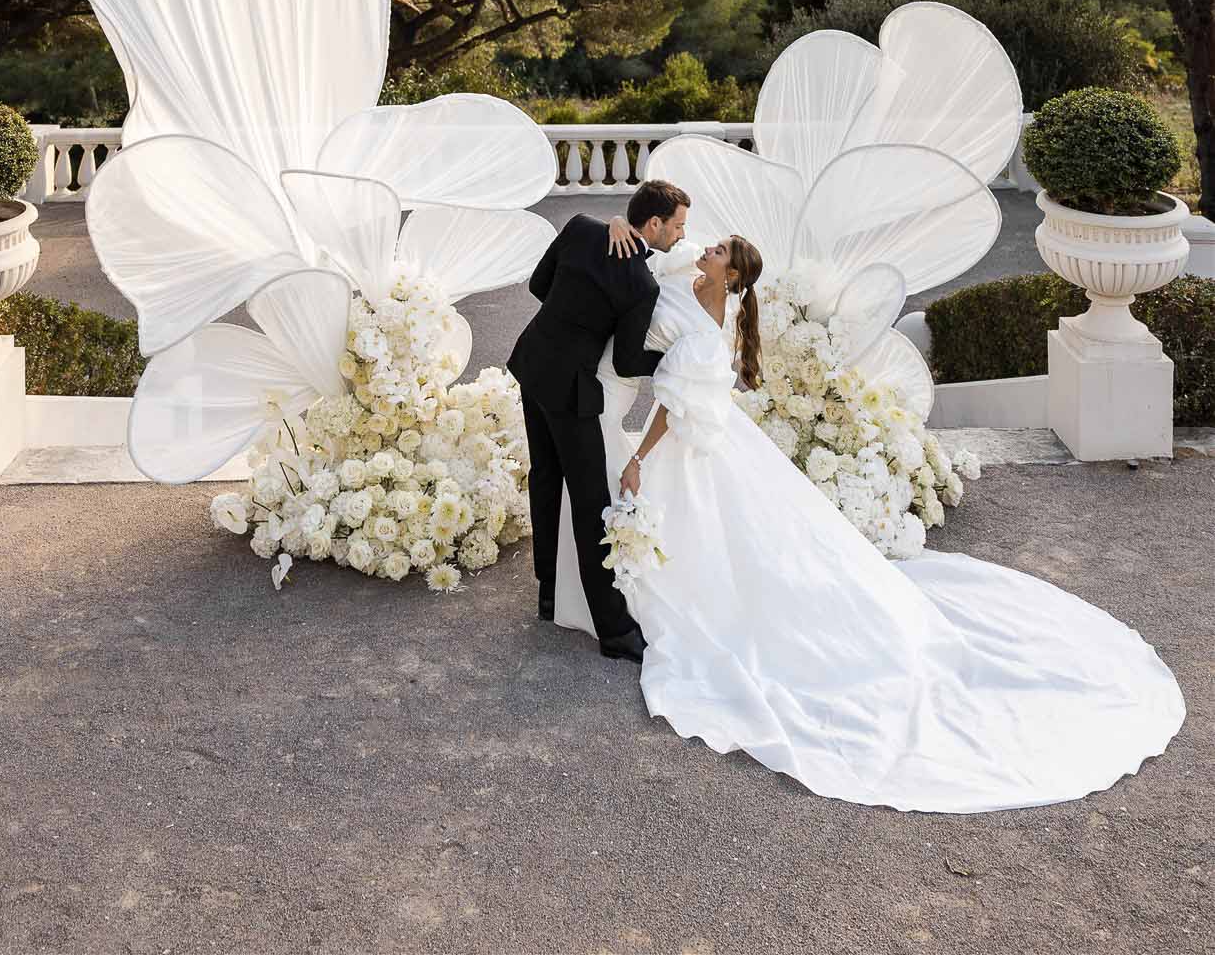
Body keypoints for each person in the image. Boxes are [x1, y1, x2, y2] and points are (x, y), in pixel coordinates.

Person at [602, 232, 1185, 813]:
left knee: (725, 540)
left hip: (695, 443)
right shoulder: (701, 288)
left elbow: (675, 408)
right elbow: (655, 265)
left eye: (721, 251)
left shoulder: (709, 328)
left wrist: (635, 459)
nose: (708, 248)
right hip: (719, 440)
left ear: (732, 277)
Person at [507, 180, 690, 661]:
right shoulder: (641, 283)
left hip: (533, 362)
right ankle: (613, 631)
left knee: (545, 477)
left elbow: (538, 285)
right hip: (571, 389)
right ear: (653, 225)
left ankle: (548, 591)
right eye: (676, 227)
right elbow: (629, 362)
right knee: (593, 505)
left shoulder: (582, 226)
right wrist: (674, 361)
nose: (680, 237)